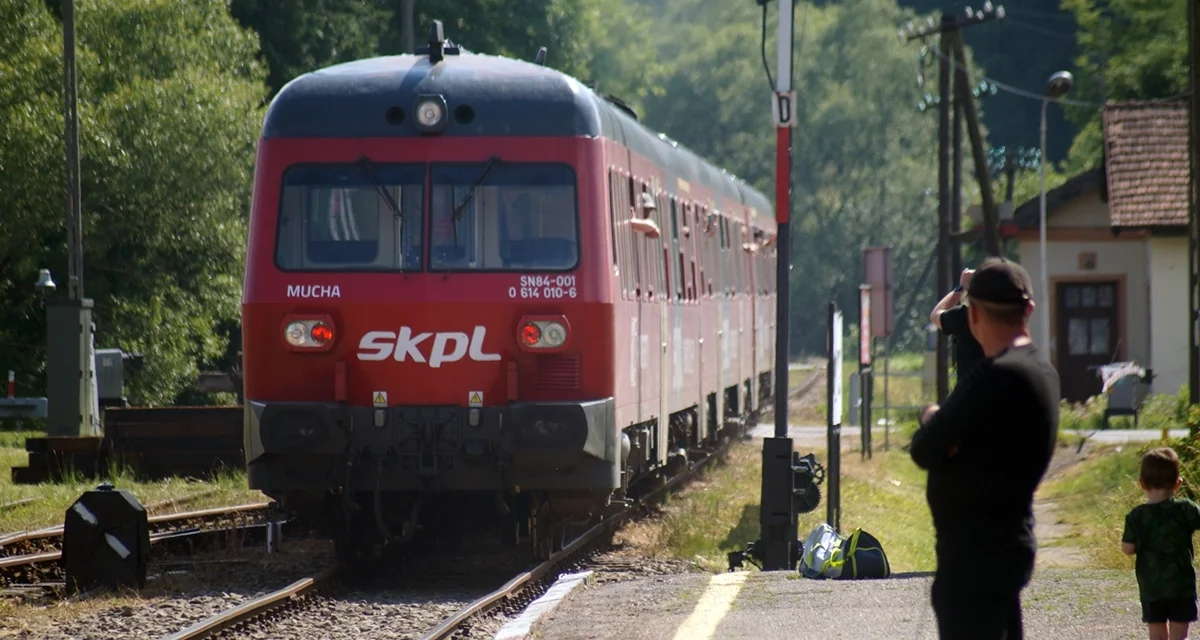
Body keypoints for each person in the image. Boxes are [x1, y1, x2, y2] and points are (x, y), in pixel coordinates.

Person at [909, 257, 1061, 640]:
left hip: (974, 559)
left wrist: (935, 420)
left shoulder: (994, 378)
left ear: (972, 314)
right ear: (1029, 309)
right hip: (1008, 545)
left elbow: (924, 450)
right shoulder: (1042, 370)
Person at [1121, 447, 1200, 640]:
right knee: (1180, 636)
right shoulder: (1185, 509)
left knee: (1156, 631)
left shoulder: (1136, 516)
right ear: (1177, 483)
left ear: (1141, 484)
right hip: (1181, 585)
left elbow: (1127, 548)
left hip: (1151, 588)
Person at [930, 268, 986, 385]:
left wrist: (960, 288)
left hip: (969, 394)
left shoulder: (964, 317)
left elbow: (935, 315)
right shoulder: (1005, 317)